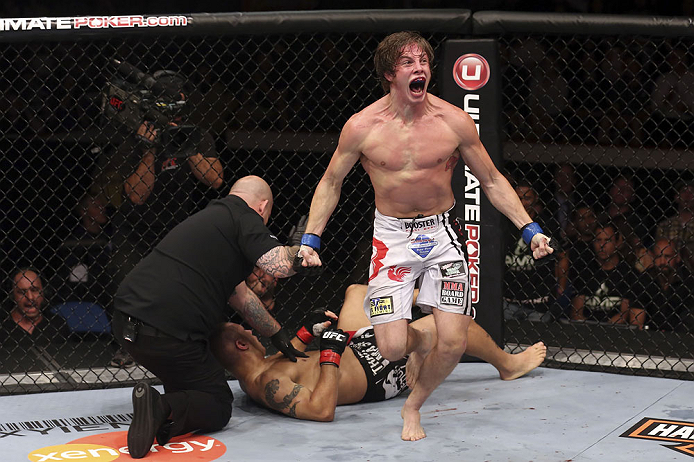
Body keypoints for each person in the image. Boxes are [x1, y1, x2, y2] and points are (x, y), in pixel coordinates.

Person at [296, 31, 554, 440]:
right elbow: (331, 182)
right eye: (407, 63)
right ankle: (420, 337)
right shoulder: (362, 126)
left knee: (452, 343)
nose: (419, 68)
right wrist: (311, 238)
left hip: (441, 233)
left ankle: (412, 407)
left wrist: (529, 227)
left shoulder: (452, 120)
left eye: (424, 61)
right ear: (388, 74)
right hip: (392, 239)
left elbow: (490, 179)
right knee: (392, 348)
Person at [112, 176, 310, 459]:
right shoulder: (245, 215)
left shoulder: (211, 221)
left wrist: (276, 333)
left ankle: (165, 409)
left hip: (126, 326)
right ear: (263, 207)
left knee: (191, 392)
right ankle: (160, 408)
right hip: (169, 335)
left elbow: (241, 297)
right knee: (218, 404)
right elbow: (277, 265)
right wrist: (301, 250)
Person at [211, 284, 547, 421]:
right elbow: (321, 410)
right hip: (376, 370)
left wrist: (306, 331)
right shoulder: (267, 383)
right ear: (242, 345)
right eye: (246, 332)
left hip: (355, 348)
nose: (253, 332)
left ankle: (425, 297)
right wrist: (330, 351)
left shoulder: (260, 371)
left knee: (357, 292)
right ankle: (508, 364)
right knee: (456, 325)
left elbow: (293, 363)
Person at [103, 69, 225, 368]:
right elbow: (136, 194)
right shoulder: (136, 137)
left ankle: (189, 341)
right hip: (135, 230)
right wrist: (150, 148)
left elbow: (216, 179)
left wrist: (183, 143)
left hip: (176, 229)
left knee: (195, 282)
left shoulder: (195, 134)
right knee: (126, 279)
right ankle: (127, 345)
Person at [504, 181, 567, 322]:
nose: (523, 203)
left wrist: (561, 285)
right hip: (507, 300)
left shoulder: (547, 224)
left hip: (538, 302)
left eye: (527, 198)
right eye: (519, 198)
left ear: (536, 198)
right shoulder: (503, 224)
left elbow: (562, 255)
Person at [569, 223, 645, 329]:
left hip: (616, 332)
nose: (602, 245)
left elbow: (623, 314)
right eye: (598, 240)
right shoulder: (584, 272)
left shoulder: (629, 274)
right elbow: (576, 313)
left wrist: (606, 328)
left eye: (607, 240)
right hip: (585, 330)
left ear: (618, 242)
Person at [1, 268, 71, 372]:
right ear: (13, 295)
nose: (30, 297)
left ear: (43, 293)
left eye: (34, 290)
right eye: (22, 292)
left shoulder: (57, 324)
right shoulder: (3, 326)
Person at [635, 238, 694, 332]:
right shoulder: (645, 280)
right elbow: (637, 320)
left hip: (680, 338)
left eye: (667, 257)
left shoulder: (689, 282)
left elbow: (689, 321)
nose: (662, 262)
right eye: (658, 257)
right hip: (649, 337)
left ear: (677, 257)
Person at [655, 181, 694, 271]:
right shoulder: (664, 226)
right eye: (684, 191)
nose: (687, 195)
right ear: (676, 197)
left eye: (691, 192)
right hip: (670, 272)